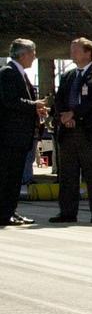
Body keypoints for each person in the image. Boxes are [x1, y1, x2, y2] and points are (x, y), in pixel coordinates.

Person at [50, 37, 92, 224]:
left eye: (76, 50)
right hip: (68, 133)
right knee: (67, 175)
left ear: (87, 53)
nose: (72, 53)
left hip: (89, 133)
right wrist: (63, 116)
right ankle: (67, 212)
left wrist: (73, 115)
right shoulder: (68, 76)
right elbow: (60, 98)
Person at [1, 39, 48, 226]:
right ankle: (4, 213)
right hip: (10, 137)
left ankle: (10, 211)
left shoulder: (19, 74)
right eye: (33, 53)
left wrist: (35, 109)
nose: (35, 56)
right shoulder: (8, 73)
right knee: (8, 178)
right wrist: (33, 105)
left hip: (19, 137)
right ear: (23, 54)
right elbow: (10, 101)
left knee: (14, 178)